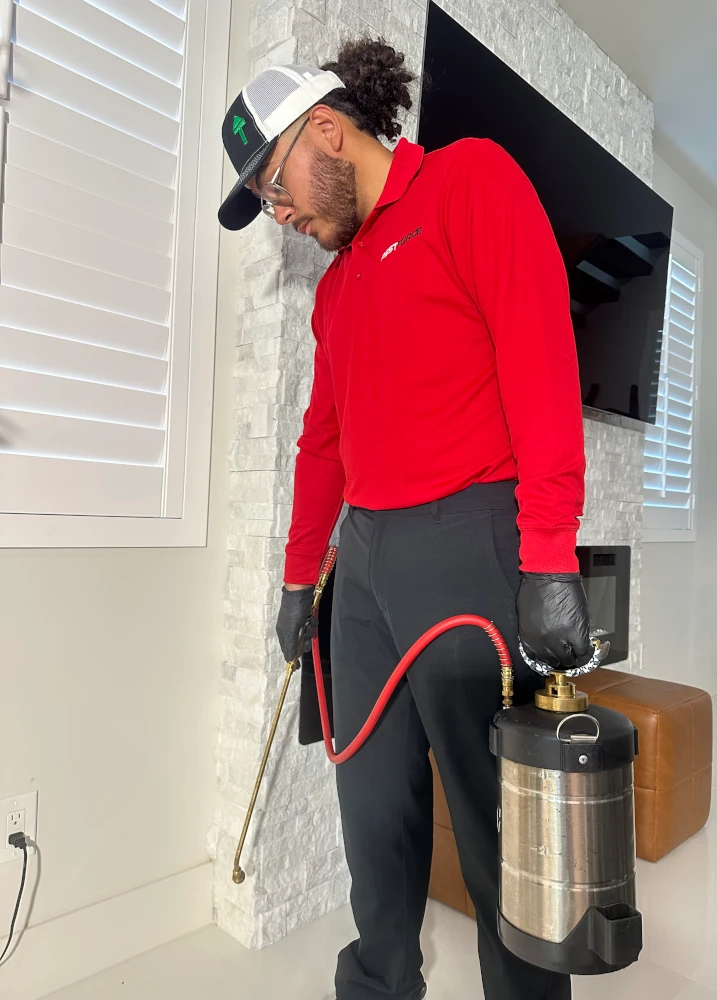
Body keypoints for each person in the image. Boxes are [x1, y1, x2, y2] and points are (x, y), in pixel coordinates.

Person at [218, 38, 591, 1000]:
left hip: (468, 543)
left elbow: (542, 363)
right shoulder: (337, 291)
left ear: (329, 133)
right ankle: (380, 982)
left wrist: (549, 555)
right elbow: (324, 443)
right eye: (265, 204)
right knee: (371, 812)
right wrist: (302, 579)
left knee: (492, 825)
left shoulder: (472, 183)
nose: (283, 215)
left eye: (278, 187)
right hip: (366, 569)